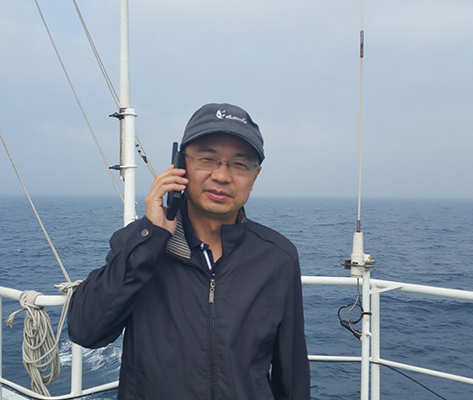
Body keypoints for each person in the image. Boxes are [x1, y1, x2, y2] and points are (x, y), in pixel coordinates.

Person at [68, 103, 310, 400]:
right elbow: (85, 330)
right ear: (181, 165)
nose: (222, 175)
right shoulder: (140, 244)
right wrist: (150, 239)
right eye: (207, 159)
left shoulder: (277, 257)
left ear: (255, 175)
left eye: (239, 164)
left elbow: (292, 374)